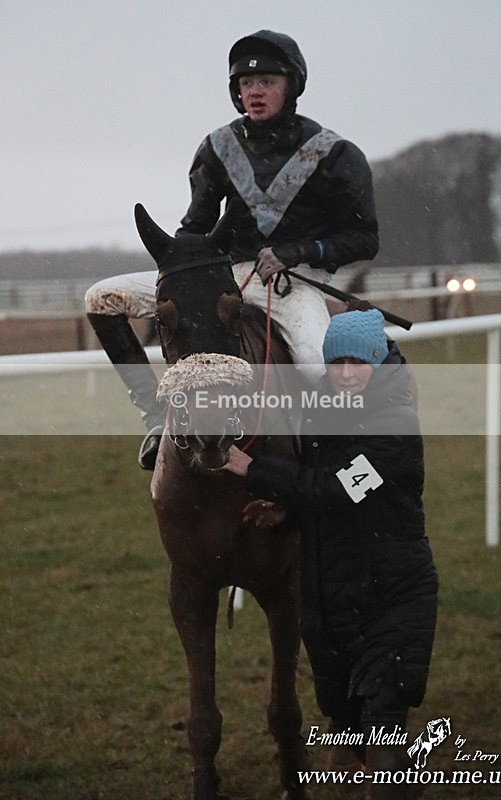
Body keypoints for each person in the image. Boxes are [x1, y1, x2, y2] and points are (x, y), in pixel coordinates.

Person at [85, 29, 379, 470]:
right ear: (236, 92)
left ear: (292, 86)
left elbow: (364, 238)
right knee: (100, 299)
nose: (256, 92)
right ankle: (154, 417)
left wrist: (297, 250)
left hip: (289, 286)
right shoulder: (218, 146)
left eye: (268, 82)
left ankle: (327, 469)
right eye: (246, 84)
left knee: (319, 364)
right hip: (220, 275)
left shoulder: (335, 154)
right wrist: (177, 259)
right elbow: (197, 225)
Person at [225, 309, 439, 799]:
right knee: (346, 748)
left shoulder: (397, 424)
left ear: (379, 362)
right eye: (336, 360)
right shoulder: (320, 411)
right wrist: (287, 514)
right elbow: (325, 501)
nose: (345, 371)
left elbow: (344, 489)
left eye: (357, 361)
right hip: (330, 606)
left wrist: (255, 471)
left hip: (393, 598)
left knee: (383, 731)